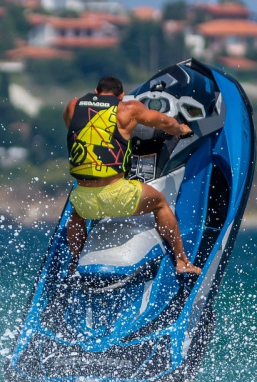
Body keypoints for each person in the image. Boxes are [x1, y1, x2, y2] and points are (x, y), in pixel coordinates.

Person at [64, 76, 202, 276]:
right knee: (160, 203)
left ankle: (75, 262)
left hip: (84, 200)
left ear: (96, 91)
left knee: (76, 214)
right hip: (118, 196)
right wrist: (180, 130)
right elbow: (165, 122)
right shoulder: (128, 109)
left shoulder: (73, 106)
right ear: (121, 95)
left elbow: (76, 129)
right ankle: (182, 262)